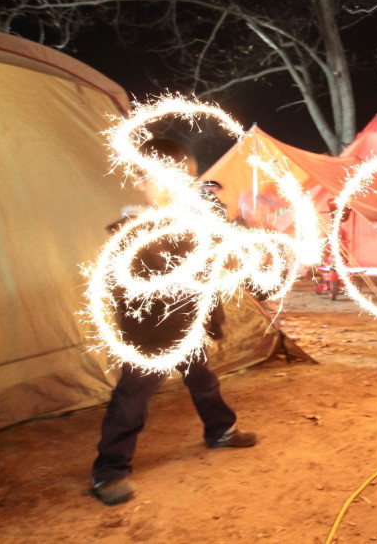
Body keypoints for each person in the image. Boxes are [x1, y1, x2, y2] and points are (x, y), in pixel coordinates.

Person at [90, 141, 256, 506]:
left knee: (203, 381)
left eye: (178, 178)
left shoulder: (194, 224)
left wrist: (213, 315)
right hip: (151, 335)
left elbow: (208, 274)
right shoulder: (131, 229)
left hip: (188, 325)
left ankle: (221, 430)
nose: (169, 186)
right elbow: (125, 289)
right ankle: (110, 470)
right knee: (131, 400)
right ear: (140, 180)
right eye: (158, 178)